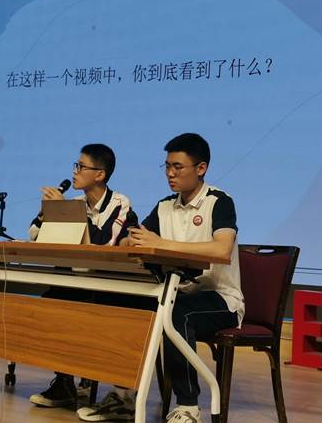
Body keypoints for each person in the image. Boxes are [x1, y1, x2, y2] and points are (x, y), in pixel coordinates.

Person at [76, 133, 244, 423]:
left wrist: (161, 243)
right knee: (120, 303)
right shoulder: (165, 206)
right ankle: (123, 397)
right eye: (167, 166)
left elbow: (222, 249)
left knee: (176, 314)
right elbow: (138, 238)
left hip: (219, 299)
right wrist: (130, 240)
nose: (170, 173)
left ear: (201, 168)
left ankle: (188, 406)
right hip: (174, 291)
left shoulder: (219, 202)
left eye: (178, 167)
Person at [29, 143, 134, 409]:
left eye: (81, 166)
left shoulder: (120, 203)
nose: (74, 172)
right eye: (75, 166)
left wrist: (68, 213)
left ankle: (97, 383)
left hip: (108, 286)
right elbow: (35, 235)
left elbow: (104, 244)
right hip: (74, 282)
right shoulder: (74, 204)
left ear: (100, 174)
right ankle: (64, 383)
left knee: (77, 306)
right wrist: (48, 211)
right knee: (51, 303)